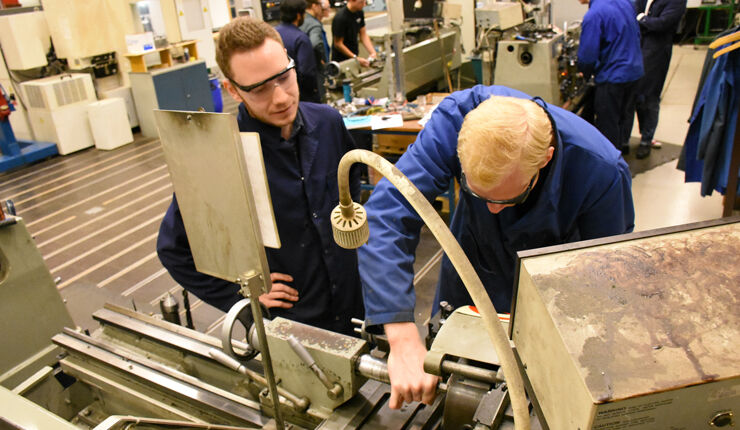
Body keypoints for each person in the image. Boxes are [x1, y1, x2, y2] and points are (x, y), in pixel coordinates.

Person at [357, 85, 635, 408]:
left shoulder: (601, 172)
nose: (491, 209)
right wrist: (403, 338)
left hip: (556, 298)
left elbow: (604, 284)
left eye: (508, 198)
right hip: (470, 277)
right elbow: (387, 215)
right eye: (479, 195)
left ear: (545, 158)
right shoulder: (457, 119)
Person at [156, 17, 363, 335]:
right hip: (288, 324)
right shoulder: (219, 154)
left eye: (283, 77)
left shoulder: (329, 123)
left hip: (352, 305)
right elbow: (174, 249)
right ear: (233, 90)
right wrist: (240, 294)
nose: (280, 97)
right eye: (260, 89)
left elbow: (350, 189)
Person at [577, 0, 644, 155]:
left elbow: (587, 56)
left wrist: (584, 74)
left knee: (608, 124)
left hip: (613, 76)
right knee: (624, 115)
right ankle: (622, 148)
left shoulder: (594, 15)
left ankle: (611, 163)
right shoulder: (626, 2)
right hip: (634, 70)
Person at [632, 0, 686, 159]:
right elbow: (633, 12)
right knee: (635, 96)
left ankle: (646, 140)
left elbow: (663, 24)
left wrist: (642, 20)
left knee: (649, 97)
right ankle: (637, 135)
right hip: (637, 46)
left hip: (656, 52)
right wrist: (644, 20)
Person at [276, 0, 320, 103]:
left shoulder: (272, 34)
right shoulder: (300, 38)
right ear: (299, 15)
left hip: (279, 91)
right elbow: (306, 72)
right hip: (303, 97)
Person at [300, 0, 331, 102]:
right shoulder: (313, 24)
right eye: (319, 5)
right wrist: (321, 58)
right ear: (314, 6)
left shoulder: (302, 21)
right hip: (316, 69)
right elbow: (316, 43)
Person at [331, 0, 377, 67]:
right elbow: (338, 44)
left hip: (354, 54)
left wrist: (372, 52)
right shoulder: (340, 18)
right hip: (341, 60)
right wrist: (355, 58)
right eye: (361, 2)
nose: (364, 4)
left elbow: (363, 35)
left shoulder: (359, 13)